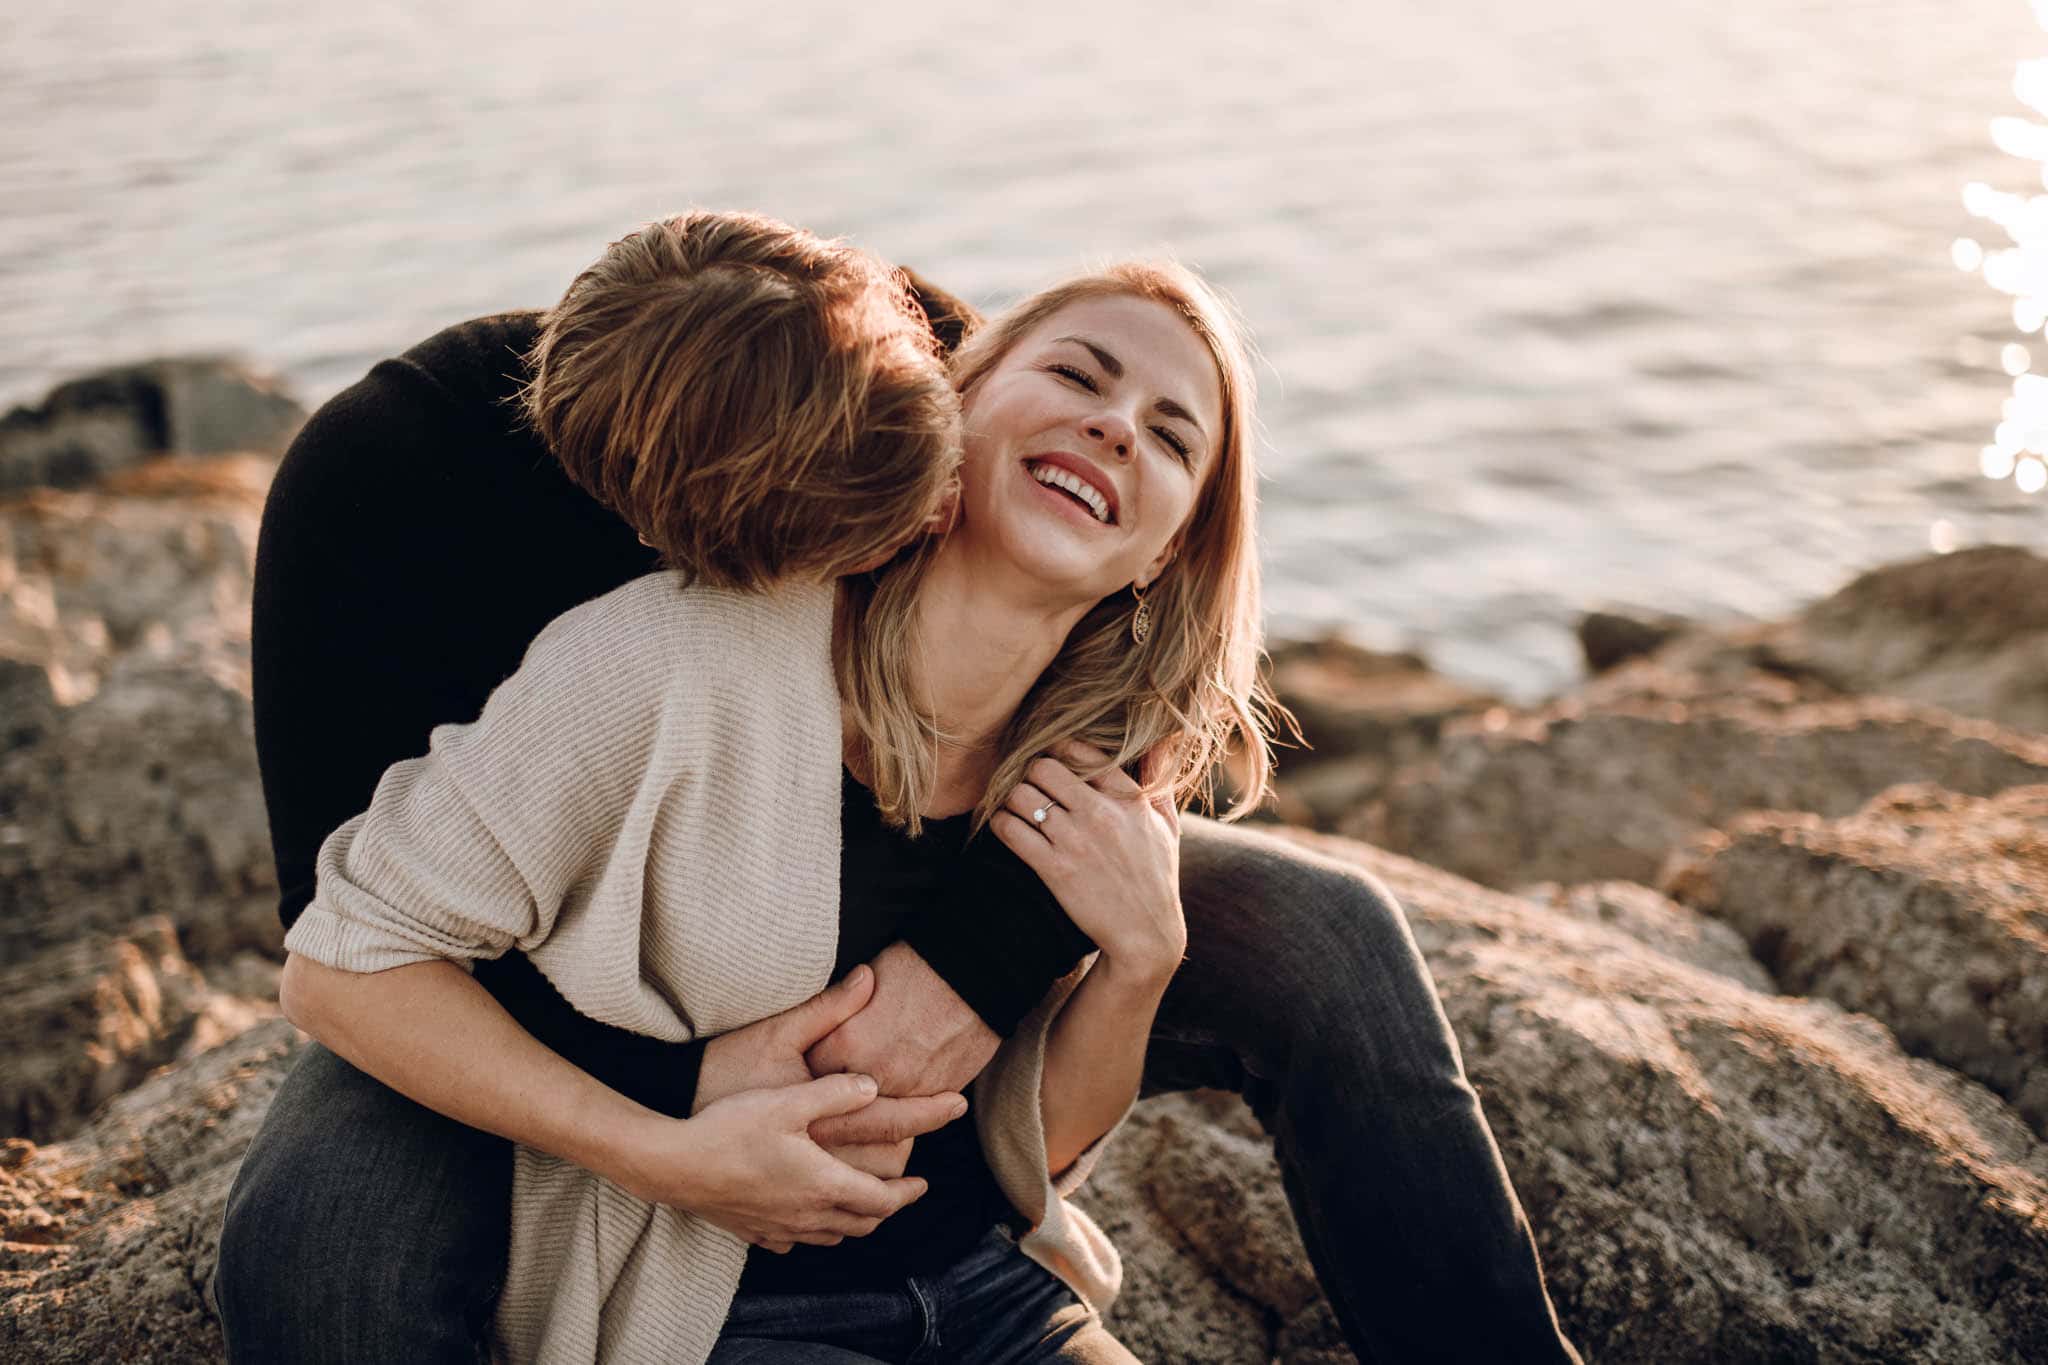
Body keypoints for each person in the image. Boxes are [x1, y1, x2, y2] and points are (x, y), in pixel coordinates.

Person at [217, 216, 1582, 1363]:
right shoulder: (482, 535)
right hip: (550, 992)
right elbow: (345, 939)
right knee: (332, 1242)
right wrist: (670, 1113)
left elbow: (1137, 699)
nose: (1114, 430)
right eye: (1085, 384)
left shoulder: (901, 377)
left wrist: (1040, 961)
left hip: (958, 1256)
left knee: (1325, 930)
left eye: (1169, 434)